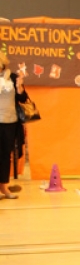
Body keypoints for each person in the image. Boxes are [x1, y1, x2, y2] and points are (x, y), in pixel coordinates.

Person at [0, 51, 28, 200]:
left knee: (6, 156)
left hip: (10, 122)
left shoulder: (12, 77)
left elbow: (23, 98)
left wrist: (19, 87)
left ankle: (4, 187)